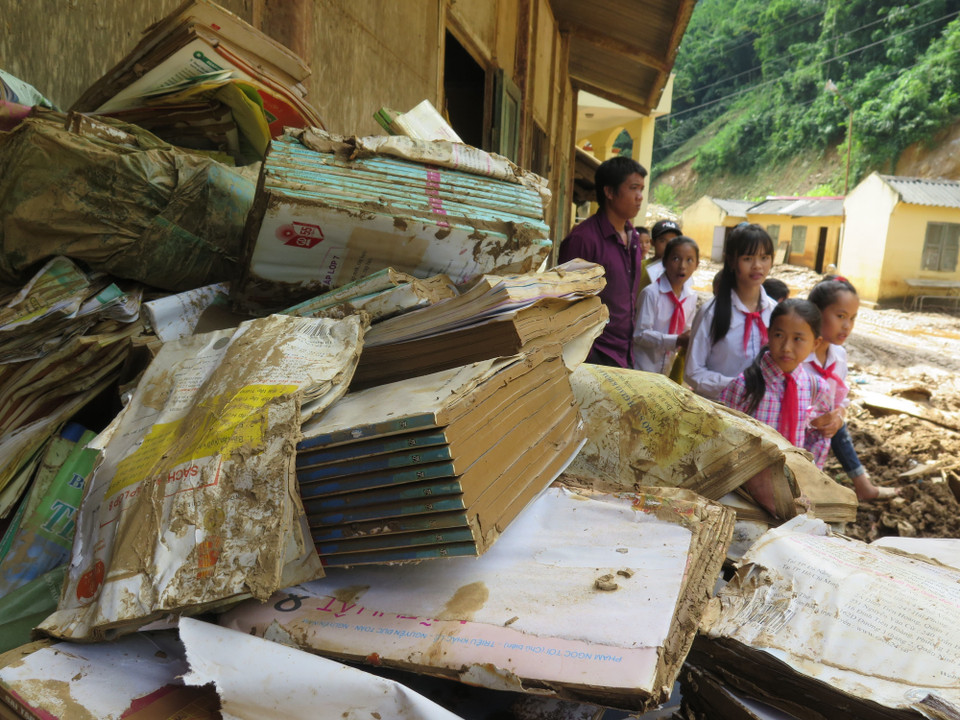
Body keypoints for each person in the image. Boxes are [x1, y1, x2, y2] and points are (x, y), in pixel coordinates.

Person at [720, 300, 832, 513]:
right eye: (779, 335)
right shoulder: (744, 386)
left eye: (798, 339)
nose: (787, 347)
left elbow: (818, 437)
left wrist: (808, 477)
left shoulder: (817, 388)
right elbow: (722, 435)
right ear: (768, 334)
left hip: (794, 492)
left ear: (815, 344)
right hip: (743, 491)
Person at [804, 276, 898, 501]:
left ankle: (859, 484)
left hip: (820, 441)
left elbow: (840, 401)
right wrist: (810, 421)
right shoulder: (798, 353)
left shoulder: (839, 355)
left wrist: (838, 417)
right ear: (817, 312)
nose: (847, 325)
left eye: (852, 318)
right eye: (840, 316)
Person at [558, 156, 647, 368]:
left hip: (624, 351)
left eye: (642, 189)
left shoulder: (633, 238)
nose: (640, 197)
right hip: (592, 354)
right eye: (634, 188)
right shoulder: (583, 240)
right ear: (609, 192)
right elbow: (565, 305)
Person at [685, 223, 777, 400]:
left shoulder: (776, 312)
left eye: (764, 257)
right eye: (748, 258)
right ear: (732, 261)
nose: (758, 266)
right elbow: (693, 372)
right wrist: (737, 387)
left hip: (762, 416)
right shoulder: (711, 313)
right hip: (719, 412)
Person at [633, 236, 699, 375]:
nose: (682, 266)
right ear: (664, 262)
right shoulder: (651, 294)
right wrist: (676, 340)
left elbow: (686, 331)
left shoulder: (691, 297)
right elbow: (640, 335)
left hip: (667, 370)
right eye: (676, 259)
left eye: (689, 260)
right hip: (642, 369)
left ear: (696, 265)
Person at [639, 220, 682, 291]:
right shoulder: (640, 267)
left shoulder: (680, 270)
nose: (668, 246)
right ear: (652, 242)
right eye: (663, 241)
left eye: (674, 241)